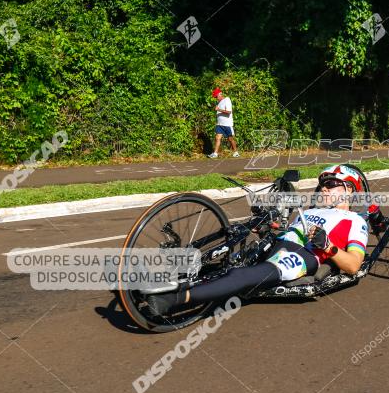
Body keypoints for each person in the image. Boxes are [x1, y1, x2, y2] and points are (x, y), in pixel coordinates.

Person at [145, 165, 369, 315]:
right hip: (277, 243)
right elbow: (286, 229)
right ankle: (155, 275)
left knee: (241, 275)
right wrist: (269, 227)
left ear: (349, 190)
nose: (324, 189)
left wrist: (328, 245)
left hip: (302, 256)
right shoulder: (312, 210)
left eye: (331, 185)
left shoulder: (354, 221)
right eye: (322, 185)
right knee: (220, 255)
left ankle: (174, 299)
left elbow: (353, 265)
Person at [208, 87, 239, 158]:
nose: (216, 98)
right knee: (217, 138)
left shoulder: (227, 100)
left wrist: (218, 109)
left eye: (216, 97)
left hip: (227, 124)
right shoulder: (219, 102)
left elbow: (229, 112)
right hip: (220, 124)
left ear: (220, 94)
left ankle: (236, 152)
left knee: (230, 139)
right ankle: (215, 153)